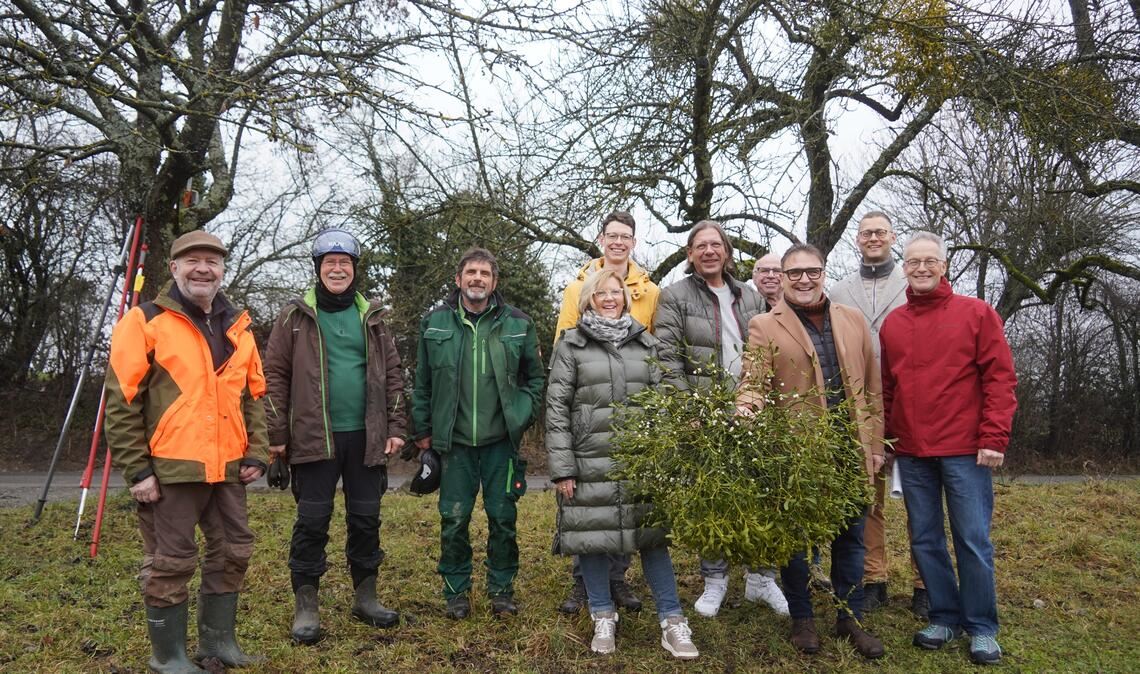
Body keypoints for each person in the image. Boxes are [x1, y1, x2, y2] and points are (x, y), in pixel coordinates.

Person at [104, 230, 268, 672]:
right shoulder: (144, 322)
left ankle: (218, 644)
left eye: (212, 262)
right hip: (171, 470)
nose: (203, 269)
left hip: (228, 470)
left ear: (221, 271)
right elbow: (122, 402)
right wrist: (138, 470)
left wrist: (257, 452)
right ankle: (168, 656)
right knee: (171, 561)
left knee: (234, 550)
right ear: (174, 268)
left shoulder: (239, 326)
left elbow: (252, 397)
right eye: (192, 260)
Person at [737, 243, 886, 659]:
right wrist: (746, 406)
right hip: (798, 453)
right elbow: (753, 378)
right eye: (795, 272)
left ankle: (849, 618)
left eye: (812, 271)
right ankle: (802, 619)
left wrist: (874, 445)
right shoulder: (765, 325)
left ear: (823, 273)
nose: (804, 279)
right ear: (782, 278)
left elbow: (873, 387)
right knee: (796, 540)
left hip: (849, 448)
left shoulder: (853, 319)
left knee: (852, 537)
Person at [263, 228, 408, 644]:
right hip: (312, 438)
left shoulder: (374, 317)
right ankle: (306, 606)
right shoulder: (294, 317)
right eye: (330, 263)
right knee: (312, 522)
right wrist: (276, 435)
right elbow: (274, 377)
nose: (338, 269)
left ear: (355, 270)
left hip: (366, 439)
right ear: (318, 270)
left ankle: (366, 598)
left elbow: (393, 375)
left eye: (346, 263)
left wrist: (396, 428)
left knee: (366, 519)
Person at [880, 231, 1017, 666]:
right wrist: (886, 442)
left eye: (930, 261)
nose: (921, 268)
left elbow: (1000, 379)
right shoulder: (894, 324)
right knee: (924, 539)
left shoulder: (976, 314)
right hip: (913, 452)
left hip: (965, 450)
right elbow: (887, 390)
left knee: (972, 539)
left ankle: (981, 626)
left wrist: (994, 437)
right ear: (904, 267)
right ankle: (943, 616)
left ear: (944, 266)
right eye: (913, 261)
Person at [547, 269, 699, 659]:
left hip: (640, 462)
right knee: (592, 539)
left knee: (653, 540)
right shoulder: (572, 345)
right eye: (602, 294)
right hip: (588, 459)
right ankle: (602, 614)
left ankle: (672, 620)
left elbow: (663, 404)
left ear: (626, 298)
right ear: (589, 300)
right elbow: (557, 408)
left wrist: (667, 456)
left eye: (616, 292)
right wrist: (563, 466)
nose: (610, 298)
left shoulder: (646, 345)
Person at [655, 220, 786, 618]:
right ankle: (715, 580)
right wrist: (688, 411)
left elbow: (767, 353)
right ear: (690, 254)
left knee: (761, 494)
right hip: (704, 413)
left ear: (727, 252)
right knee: (711, 494)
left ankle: (761, 578)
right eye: (701, 245)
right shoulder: (674, 296)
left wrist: (762, 402)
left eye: (716, 244)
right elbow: (666, 359)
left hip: (751, 409)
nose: (709, 251)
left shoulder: (749, 296)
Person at [411, 247, 545, 619]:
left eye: (485, 274)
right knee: (454, 518)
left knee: (503, 517)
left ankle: (501, 590)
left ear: (494, 282)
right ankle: (456, 591)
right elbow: (421, 382)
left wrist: (522, 415)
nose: (477, 279)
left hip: (501, 442)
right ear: (458, 280)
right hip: (453, 443)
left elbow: (535, 377)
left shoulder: (518, 322)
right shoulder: (434, 322)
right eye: (471, 272)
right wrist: (422, 431)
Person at [553, 210, 658, 615]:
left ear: (633, 242)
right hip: (591, 402)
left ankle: (618, 579)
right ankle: (584, 583)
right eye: (611, 235)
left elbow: (653, 346)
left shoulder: (650, 290)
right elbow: (565, 336)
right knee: (590, 502)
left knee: (626, 499)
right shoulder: (578, 285)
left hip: (632, 403)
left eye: (625, 236)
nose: (618, 242)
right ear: (600, 239)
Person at [829, 211, 927, 617]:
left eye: (880, 232)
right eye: (866, 232)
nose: (873, 238)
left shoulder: (912, 284)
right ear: (857, 239)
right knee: (869, 497)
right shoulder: (839, 289)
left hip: (910, 399)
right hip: (860, 402)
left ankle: (926, 582)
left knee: (921, 497)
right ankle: (874, 577)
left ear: (892, 236)